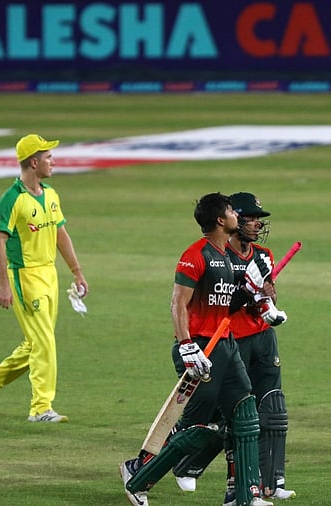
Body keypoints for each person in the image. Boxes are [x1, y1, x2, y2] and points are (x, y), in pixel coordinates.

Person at [120, 192, 272, 506]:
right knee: (195, 428)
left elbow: (226, 306)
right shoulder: (196, 254)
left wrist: (258, 299)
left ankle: (244, 495)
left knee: (244, 414)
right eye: (231, 211)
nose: (237, 216)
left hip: (225, 345)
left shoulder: (228, 258)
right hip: (201, 347)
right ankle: (137, 477)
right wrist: (186, 345)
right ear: (221, 220)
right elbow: (178, 303)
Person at [171, 192, 295, 502]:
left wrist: (267, 297)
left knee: (268, 410)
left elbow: (268, 295)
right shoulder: (216, 255)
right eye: (250, 217)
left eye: (257, 218)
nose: (255, 223)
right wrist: (245, 295)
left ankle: (265, 484)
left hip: (260, 338)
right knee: (225, 419)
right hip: (228, 341)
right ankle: (179, 464)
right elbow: (209, 304)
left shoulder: (262, 254)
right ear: (230, 219)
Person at [0, 134, 88, 423]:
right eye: (48, 157)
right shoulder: (12, 199)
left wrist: (76, 271)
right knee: (45, 343)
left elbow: (61, 233)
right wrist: (3, 284)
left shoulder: (50, 195)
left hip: (49, 274)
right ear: (33, 162)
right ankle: (41, 408)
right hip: (24, 276)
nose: (53, 161)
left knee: (37, 343)